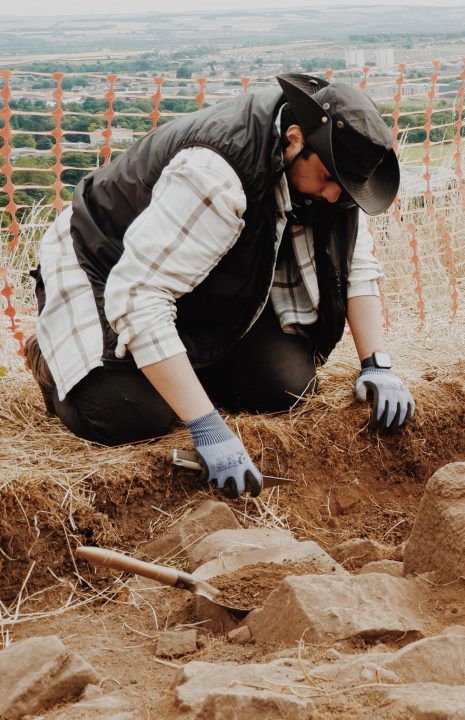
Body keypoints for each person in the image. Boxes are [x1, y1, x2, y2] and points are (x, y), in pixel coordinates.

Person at [23, 74, 416, 499]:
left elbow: (355, 262)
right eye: (328, 177)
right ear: (295, 139)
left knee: (285, 386)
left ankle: (175, 370)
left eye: (347, 185)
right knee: (128, 415)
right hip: (105, 261)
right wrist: (206, 426)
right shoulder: (216, 172)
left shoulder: (334, 175)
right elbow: (140, 295)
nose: (335, 193)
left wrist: (377, 364)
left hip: (202, 272)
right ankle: (51, 356)